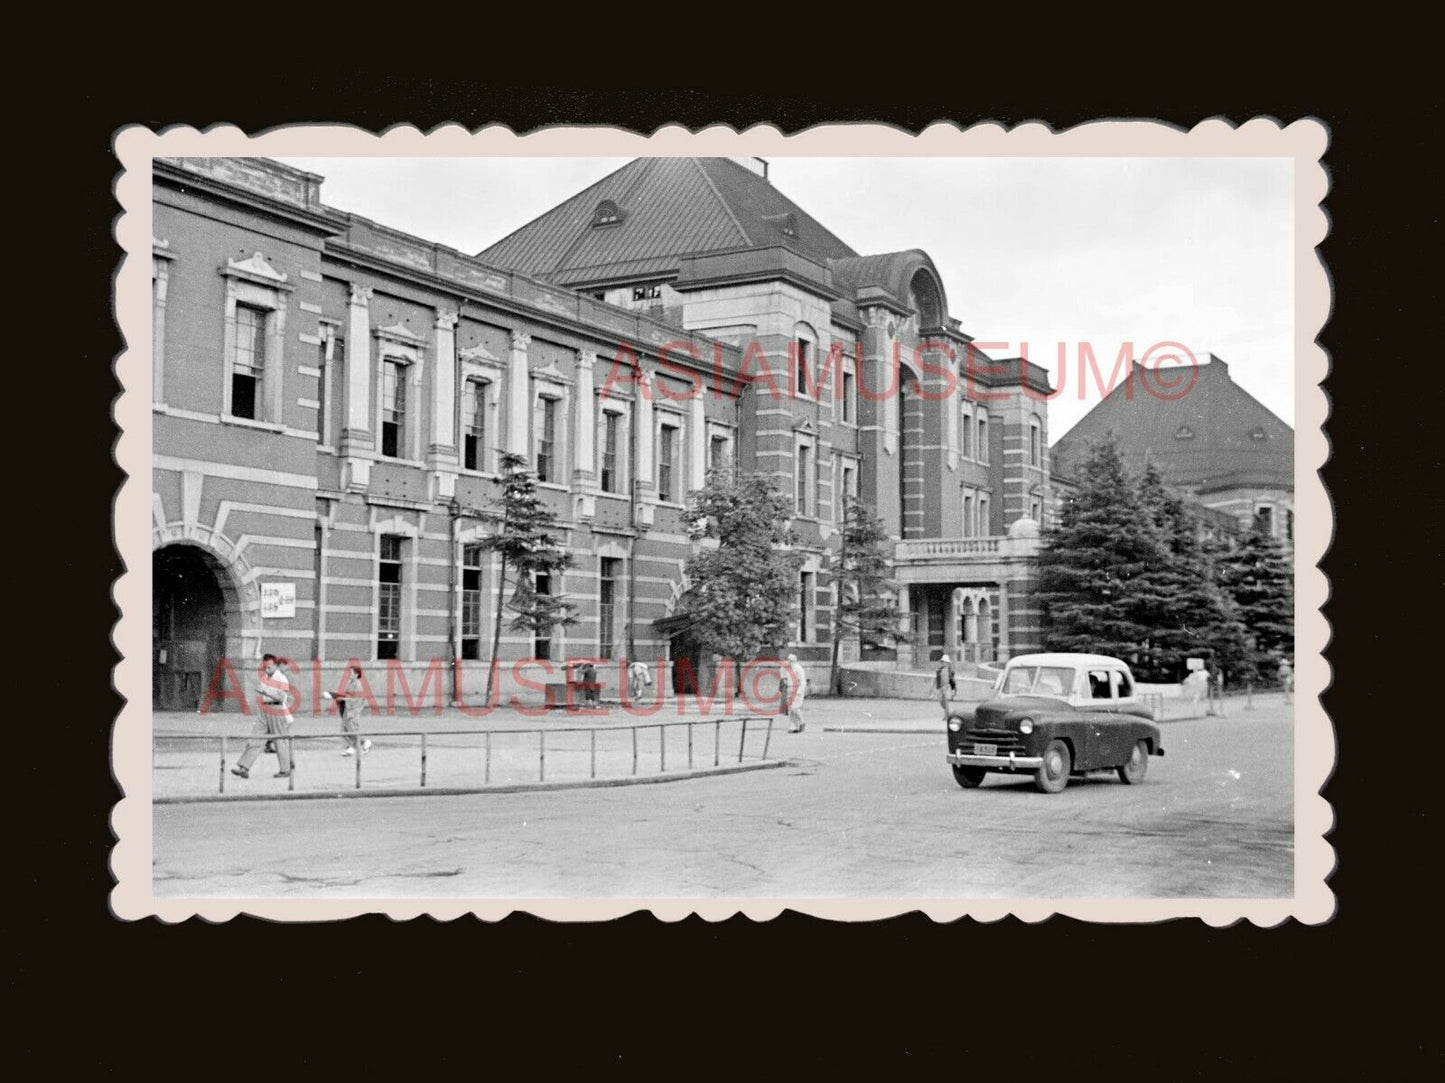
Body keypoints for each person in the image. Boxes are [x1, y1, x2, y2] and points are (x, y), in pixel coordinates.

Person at [232, 654, 295, 779]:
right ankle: (244, 767)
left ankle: (286, 769)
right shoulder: (266, 677)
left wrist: (266, 692)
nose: (267, 670)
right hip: (265, 709)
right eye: (265, 667)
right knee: (255, 737)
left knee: (280, 740)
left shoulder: (282, 679)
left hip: (276, 708)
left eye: (269, 667)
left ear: (276, 666)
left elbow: (282, 698)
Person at [323, 663, 372, 757]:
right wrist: (336, 695)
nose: (349, 674)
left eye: (351, 672)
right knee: (344, 730)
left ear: (356, 674)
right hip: (348, 709)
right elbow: (348, 695)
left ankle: (364, 743)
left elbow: (355, 699)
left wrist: (340, 698)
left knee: (351, 730)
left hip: (352, 711)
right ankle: (351, 747)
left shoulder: (358, 685)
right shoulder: (351, 683)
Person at [781, 653, 808, 733]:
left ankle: (802, 722)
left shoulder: (799, 669)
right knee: (791, 710)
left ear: (793, 661)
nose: (788, 662)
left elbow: (803, 681)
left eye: (790, 660)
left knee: (794, 708)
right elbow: (787, 680)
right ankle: (794, 726)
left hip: (796, 689)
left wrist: (799, 691)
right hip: (790, 689)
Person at [935, 654, 957, 720]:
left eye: (946, 662)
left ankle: (946, 716)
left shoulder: (950, 671)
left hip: (947, 687)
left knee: (946, 701)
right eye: (943, 662)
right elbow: (937, 679)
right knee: (941, 701)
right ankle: (949, 712)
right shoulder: (939, 671)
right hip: (941, 687)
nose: (944, 663)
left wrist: (953, 689)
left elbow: (952, 680)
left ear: (948, 663)